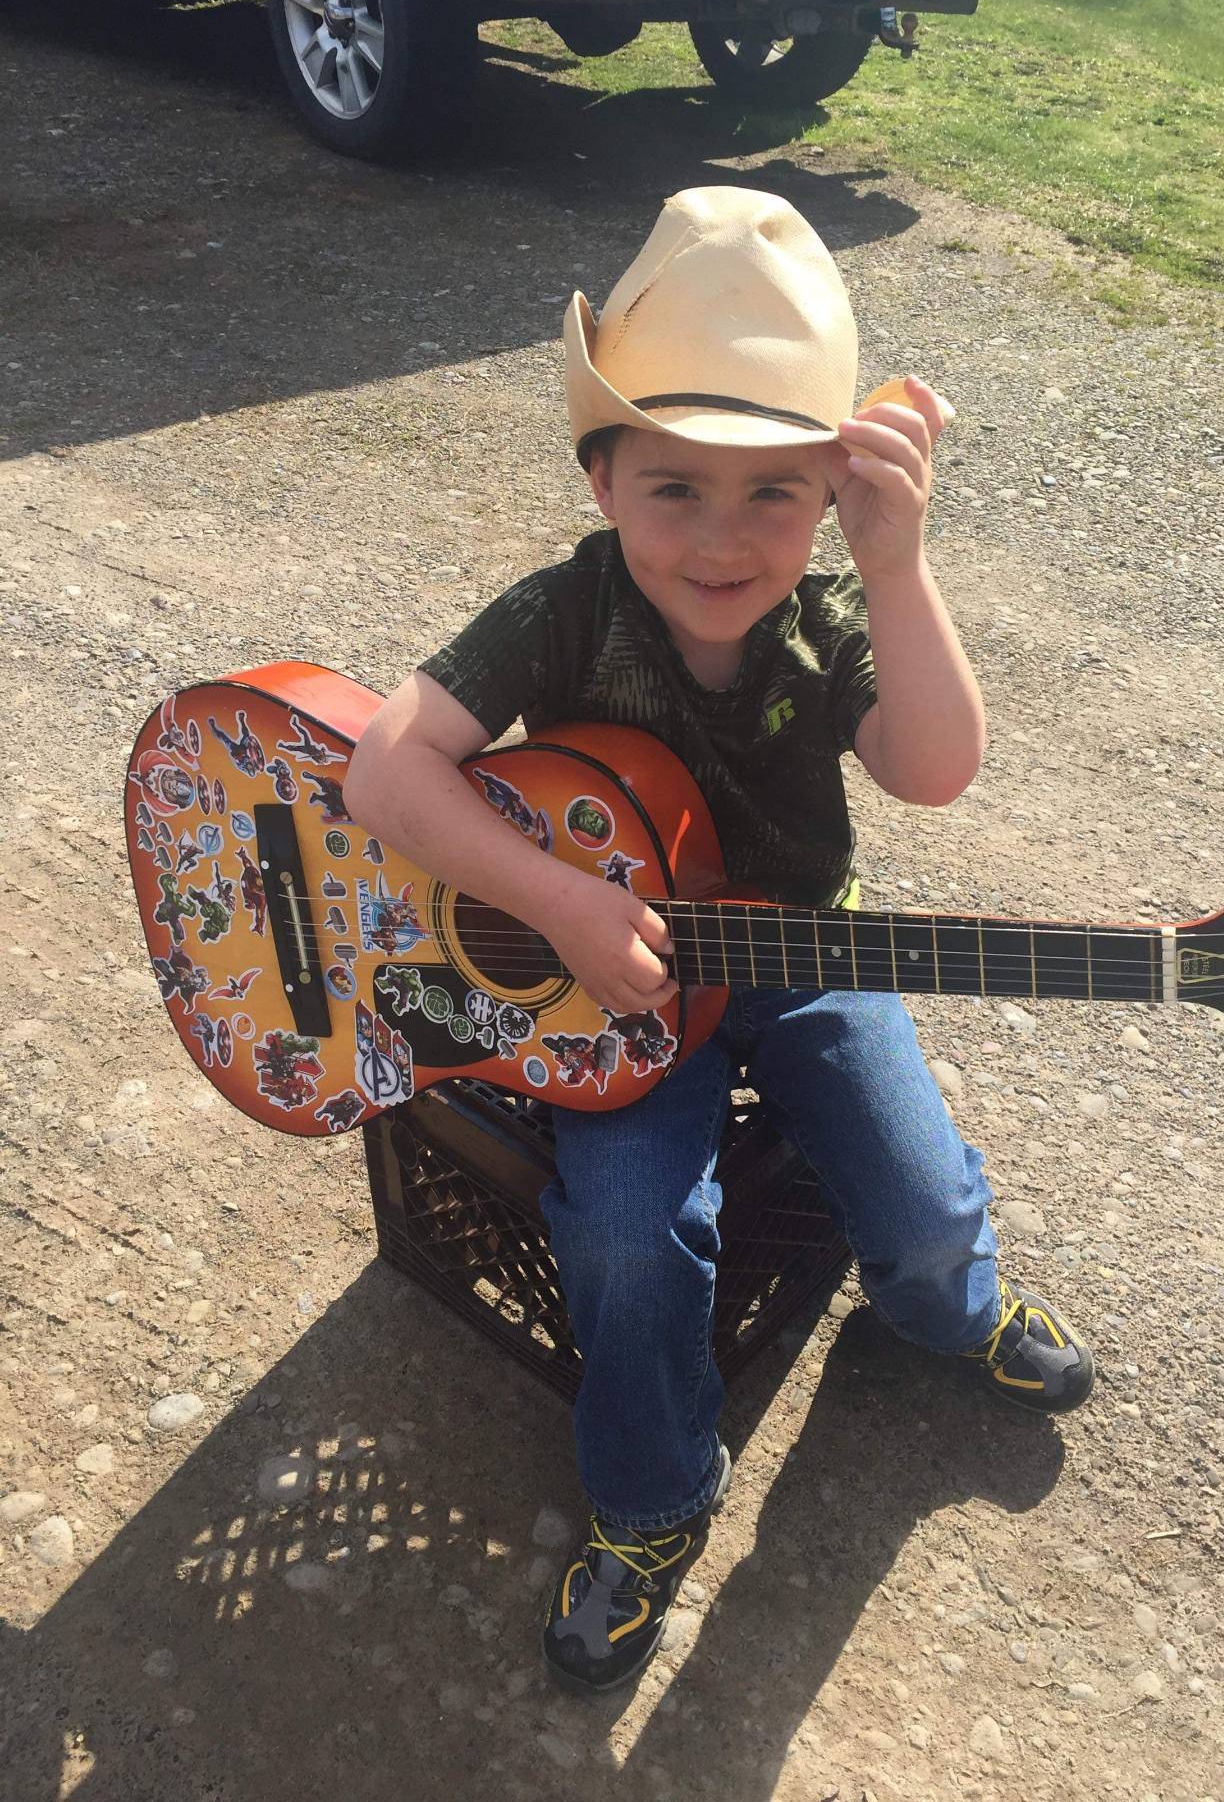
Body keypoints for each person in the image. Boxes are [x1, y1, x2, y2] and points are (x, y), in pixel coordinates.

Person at [343, 186, 1094, 1698]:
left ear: (828, 497)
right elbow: (383, 768)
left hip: (801, 955)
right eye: (671, 486)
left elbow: (934, 767)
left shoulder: (824, 619)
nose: (719, 534)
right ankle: (650, 1500)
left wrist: (897, 563)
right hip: (609, 988)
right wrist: (555, 899)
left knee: (918, 1181)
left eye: (772, 493)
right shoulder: (558, 614)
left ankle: (943, 1305)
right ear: (602, 475)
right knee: (624, 1237)